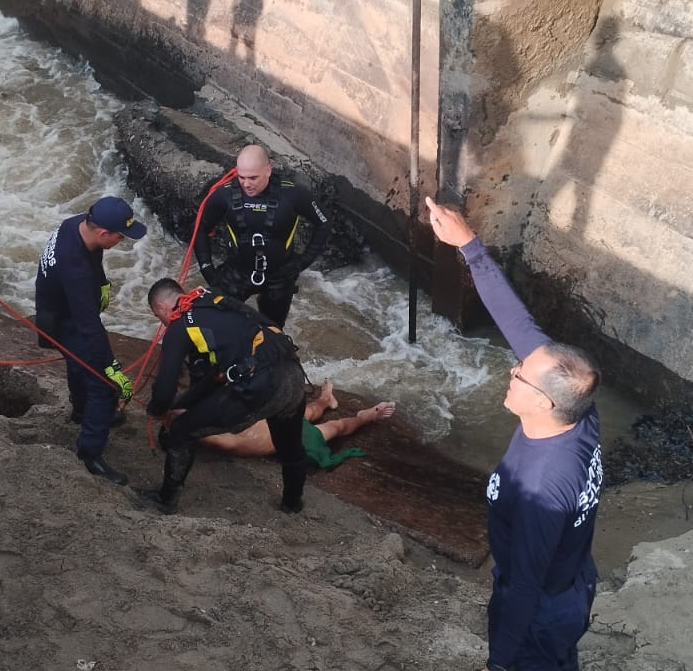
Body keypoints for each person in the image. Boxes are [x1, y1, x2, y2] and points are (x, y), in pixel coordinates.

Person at [425, 197, 603, 671]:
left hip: (542, 611)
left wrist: (500, 662)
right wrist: (468, 245)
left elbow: (526, 585)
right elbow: (518, 322)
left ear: (544, 402)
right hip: (574, 579)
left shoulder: (541, 488)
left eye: (519, 374)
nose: (511, 370)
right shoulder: (579, 407)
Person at [140, 278, 309, 513]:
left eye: (158, 317)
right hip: (293, 373)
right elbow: (215, 377)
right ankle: (292, 503)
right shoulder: (213, 298)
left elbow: (164, 390)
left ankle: (165, 500)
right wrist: (186, 404)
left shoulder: (179, 326)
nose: (162, 323)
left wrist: (158, 411)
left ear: (161, 308)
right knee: (290, 446)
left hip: (262, 386)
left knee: (180, 431)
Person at [33, 196, 147, 486]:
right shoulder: (74, 268)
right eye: (120, 236)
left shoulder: (75, 225)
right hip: (63, 319)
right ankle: (90, 455)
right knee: (102, 384)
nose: (122, 241)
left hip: (57, 306)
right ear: (103, 232)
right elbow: (89, 327)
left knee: (78, 364)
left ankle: (81, 411)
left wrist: (102, 282)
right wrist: (111, 367)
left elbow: (93, 256)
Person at [193, 144, 331, 327]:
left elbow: (324, 222)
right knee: (218, 326)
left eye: (253, 178)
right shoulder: (224, 195)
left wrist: (302, 262)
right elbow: (201, 228)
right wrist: (207, 269)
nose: (246, 184)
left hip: (279, 275)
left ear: (268, 170)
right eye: (241, 177)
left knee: (273, 332)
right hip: (237, 273)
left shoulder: (293, 195)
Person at [198, 381, 395, 468]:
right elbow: (196, 432)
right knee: (336, 427)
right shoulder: (227, 440)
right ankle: (365, 417)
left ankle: (325, 399)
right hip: (289, 438)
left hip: (274, 419)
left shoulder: (227, 414)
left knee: (309, 411)